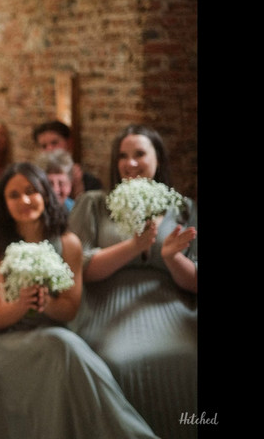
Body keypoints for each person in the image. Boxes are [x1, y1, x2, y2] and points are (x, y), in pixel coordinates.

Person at [0, 162, 157, 439]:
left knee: (65, 346)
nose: (24, 200)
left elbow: (70, 310)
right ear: (3, 203)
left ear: (45, 194)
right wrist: (22, 302)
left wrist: (44, 303)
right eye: (13, 195)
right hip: (6, 342)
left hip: (54, 329)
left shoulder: (68, 243)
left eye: (31, 191)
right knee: (64, 346)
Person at [68, 124, 197, 439]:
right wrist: (134, 247)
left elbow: (194, 281)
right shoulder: (95, 204)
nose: (131, 163)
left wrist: (170, 258)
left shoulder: (182, 207)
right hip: (108, 306)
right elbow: (81, 267)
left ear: (157, 159)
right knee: (117, 360)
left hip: (171, 307)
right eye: (123, 156)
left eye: (140, 154)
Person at [32, 120, 102, 198]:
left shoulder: (89, 182)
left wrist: (78, 188)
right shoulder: (33, 179)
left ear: (69, 143)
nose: (49, 149)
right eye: (44, 146)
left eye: (54, 143)